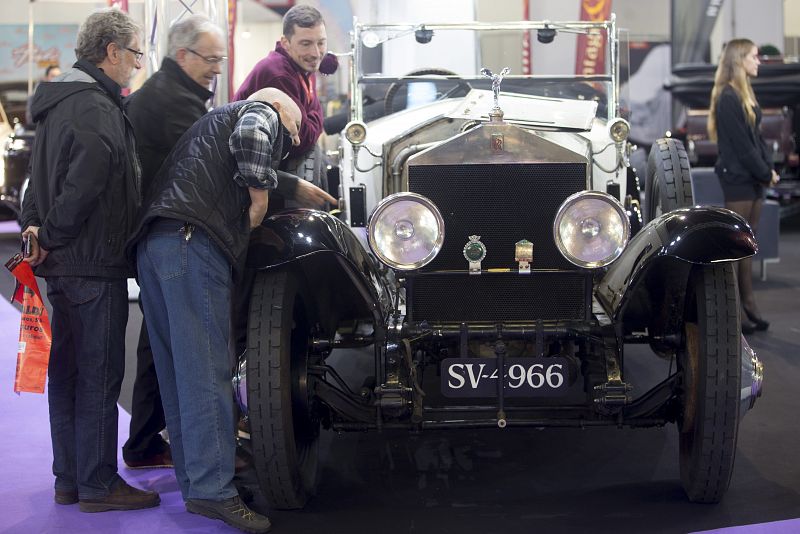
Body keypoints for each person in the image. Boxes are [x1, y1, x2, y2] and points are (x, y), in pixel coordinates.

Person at [127, 87, 304, 533]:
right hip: (193, 243)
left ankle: (197, 483)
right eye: (295, 131)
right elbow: (253, 132)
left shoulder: (207, 126)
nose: (294, 142)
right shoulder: (256, 112)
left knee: (177, 375)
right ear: (280, 111)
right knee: (207, 373)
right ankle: (214, 491)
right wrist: (260, 198)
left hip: (156, 246)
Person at [19, 8, 160, 512]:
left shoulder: (57, 102)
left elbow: (37, 179)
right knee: (99, 376)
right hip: (93, 261)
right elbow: (86, 182)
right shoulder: (97, 107)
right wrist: (53, 232)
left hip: (62, 266)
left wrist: (38, 229)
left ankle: (70, 479)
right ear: (112, 52)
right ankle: (99, 484)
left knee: (68, 375)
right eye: (137, 55)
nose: (138, 65)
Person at [122, 13, 226, 471]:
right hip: (172, 237)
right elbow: (215, 164)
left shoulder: (171, 95)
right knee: (191, 353)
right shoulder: (170, 102)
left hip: (156, 236)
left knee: (156, 345)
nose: (217, 69)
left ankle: (146, 443)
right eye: (211, 59)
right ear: (181, 55)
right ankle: (201, 462)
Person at [708, 38, 780, 334]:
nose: (758, 60)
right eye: (754, 56)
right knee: (737, 248)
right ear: (739, 60)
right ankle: (736, 311)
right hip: (738, 178)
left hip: (752, 178)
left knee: (747, 248)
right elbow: (741, 147)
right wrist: (765, 172)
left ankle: (748, 305)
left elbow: (756, 140)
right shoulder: (728, 97)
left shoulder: (743, 93)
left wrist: (768, 171)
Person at [233, 4, 328, 198]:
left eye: (321, 42)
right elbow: (300, 140)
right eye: (306, 43)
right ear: (285, 43)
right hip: (253, 184)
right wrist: (317, 112)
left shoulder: (301, 65)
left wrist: (312, 114)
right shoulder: (278, 74)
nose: (316, 53)